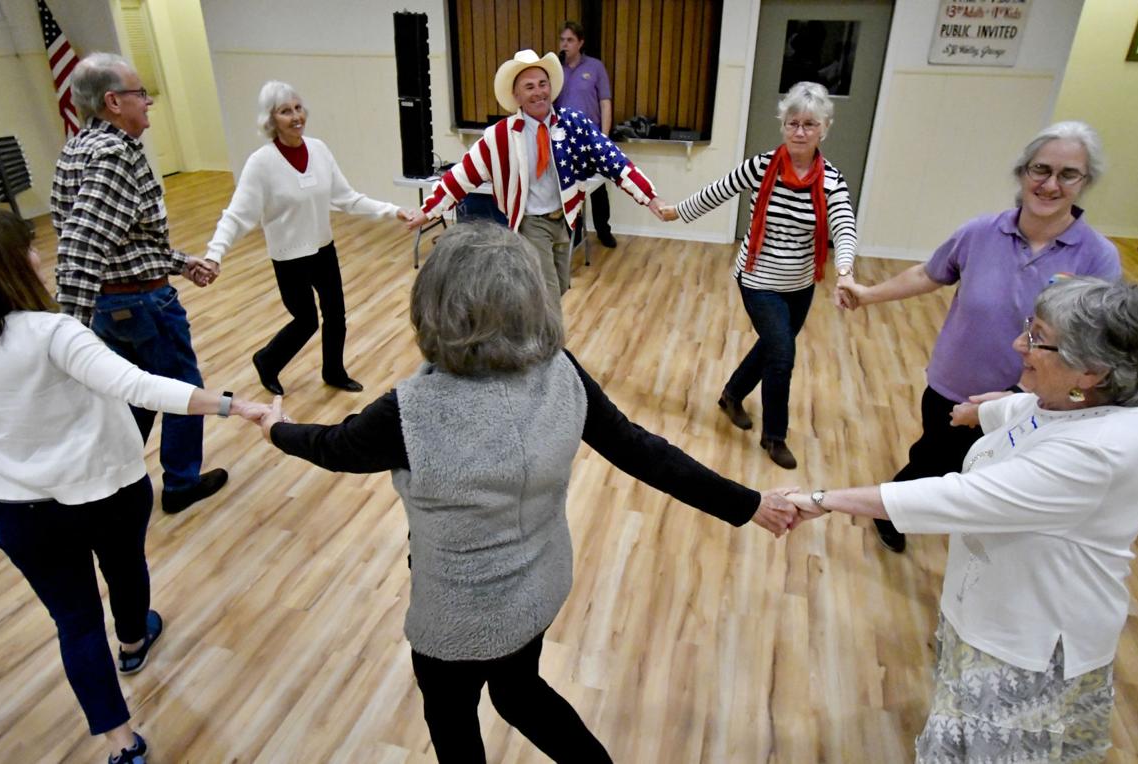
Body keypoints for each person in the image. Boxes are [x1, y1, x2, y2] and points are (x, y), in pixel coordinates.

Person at [248, 221, 790, 763]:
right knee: (518, 691)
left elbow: (332, 447)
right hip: (539, 588)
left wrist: (276, 428)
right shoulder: (561, 371)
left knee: (453, 722)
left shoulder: (408, 412)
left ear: (435, 306)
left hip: (454, 620)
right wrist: (750, 503)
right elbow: (642, 450)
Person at [777, 278, 1138, 762]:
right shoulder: (1071, 401)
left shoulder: (1098, 452)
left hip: (1033, 641)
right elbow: (1028, 411)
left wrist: (824, 499)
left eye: (1038, 338)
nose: (1018, 344)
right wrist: (980, 411)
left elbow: (959, 498)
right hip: (989, 609)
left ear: (1091, 371)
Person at [0, 207, 265, 764]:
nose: (43, 257)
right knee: (125, 565)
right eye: (31, 249)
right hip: (104, 492)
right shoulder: (52, 331)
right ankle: (133, 641)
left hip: (20, 512)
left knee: (75, 622)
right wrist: (234, 405)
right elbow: (139, 384)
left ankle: (121, 744)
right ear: (11, 266)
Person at [839, 121, 1122, 553]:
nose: (1050, 184)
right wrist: (867, 295)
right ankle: (891, 508)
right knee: (936, 459)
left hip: (1036, 398)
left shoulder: (1097, 256)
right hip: (954, 383)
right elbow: (928, 274)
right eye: (1040, 170)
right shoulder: (980, 232)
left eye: (1068, 174)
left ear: (1085, 183)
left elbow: (1099, 339)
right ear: (1022, 173)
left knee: (995, 472)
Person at [52, 52, 228, 515]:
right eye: (139, 93)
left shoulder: (77, 148)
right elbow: (83, 244)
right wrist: (65, 331)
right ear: (113, 101)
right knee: (183, 389)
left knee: (136, 390)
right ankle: (181, 484)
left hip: (118, 306)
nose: (148, 102)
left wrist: (180, 262)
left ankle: (117, 478)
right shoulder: (114, 157)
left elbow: (122, 241)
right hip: (143, 305)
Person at [659, 81, 857, 469]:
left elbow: (844, 225)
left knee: (770, 345)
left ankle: (732, 394)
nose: (800, 132)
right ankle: (775, 437)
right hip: (758, 279)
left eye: (810, 125)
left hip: (800, 284)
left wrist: (845, 270)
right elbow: (717, 191)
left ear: (824, 129)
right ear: (783, 125)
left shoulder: (831, 180)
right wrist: (676, 211)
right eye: (793, 123)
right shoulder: (761, 166)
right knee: (782, 354)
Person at [405, 49, 669, 308]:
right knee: (549, 295)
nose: (538, 92)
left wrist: (651, 198)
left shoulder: (574, 124)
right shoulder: (499, 136)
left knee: (560, 286)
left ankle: (526, 331)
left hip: (564, 220)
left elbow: (615, 161)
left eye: (543, 84)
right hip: (530, 223)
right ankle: (550, 349)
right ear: (516, 96)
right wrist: (427, 212)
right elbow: (461, 176)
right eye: (529, 86)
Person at [205, 81, 412, 396]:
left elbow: (347, 198)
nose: (295, 116)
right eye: (285, 111)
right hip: (288, 256)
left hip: (322, 249)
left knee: (335, 315)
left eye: (298, 108)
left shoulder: (318, 150)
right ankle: (267, 360)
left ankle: (334, 371)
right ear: (271, 120)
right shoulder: (261, 163)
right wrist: (213, 254)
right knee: (305, 321)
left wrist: (392, 211)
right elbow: (237, 216)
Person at [556, 20, 617, 248]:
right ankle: (576, 231)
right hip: (565, 140)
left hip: (591, 139)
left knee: (598, 188)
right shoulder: (555, 69)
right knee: (572, 187)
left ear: (580, 42)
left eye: (570, 40)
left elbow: (605, 103)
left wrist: (604, 137)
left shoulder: (595, 67)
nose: (565, 44)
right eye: (562, 40)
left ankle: (604, 230)